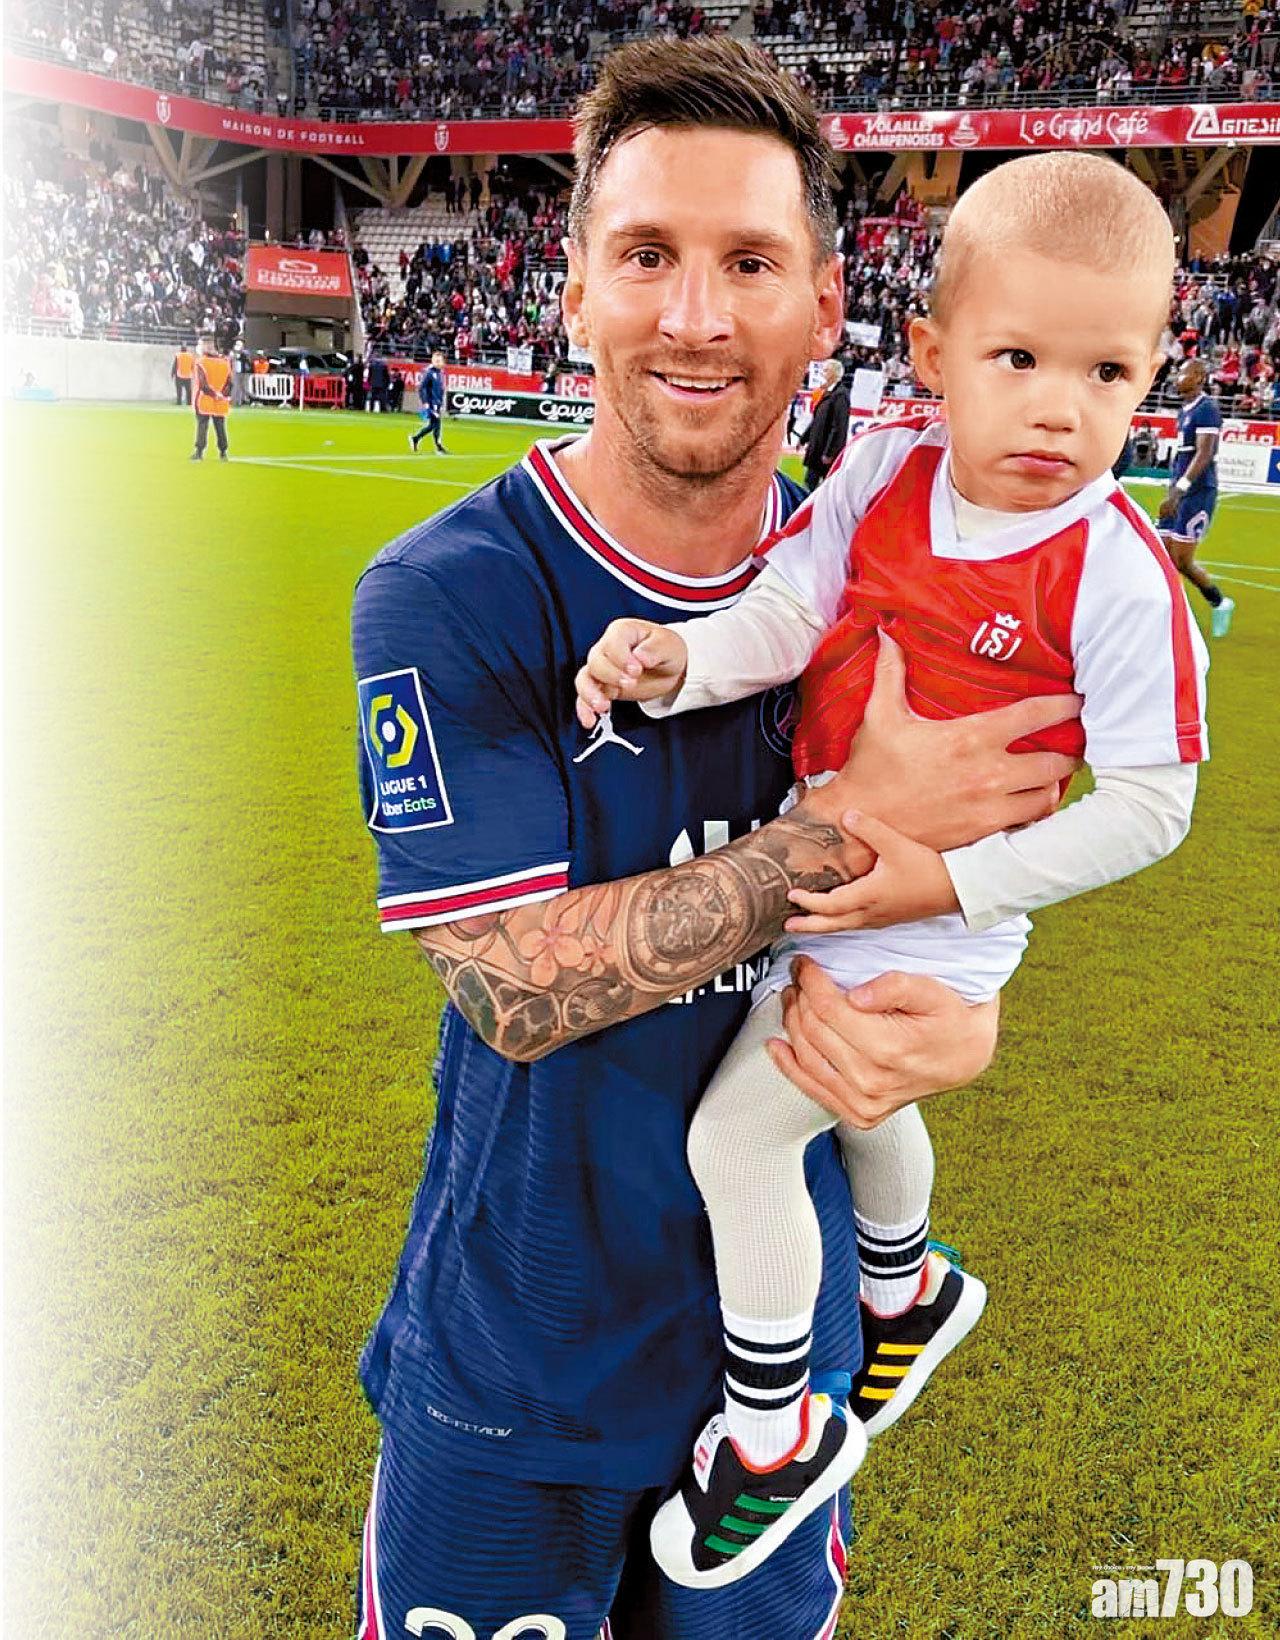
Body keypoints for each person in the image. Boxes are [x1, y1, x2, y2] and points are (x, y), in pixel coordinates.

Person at [350, 38, 1081, 1640]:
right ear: (573, 292)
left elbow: (953, 905)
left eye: (749, 262)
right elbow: (514, 984)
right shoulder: (456, 594)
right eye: (646, 256)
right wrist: (837, 839)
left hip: (782, 1380)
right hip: (515, 1376)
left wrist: (957, 1019)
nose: (694, 315)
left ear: (824, 305)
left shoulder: (892, 584)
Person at [575, 151, 1207, 1588]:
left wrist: (949, 890)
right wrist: (680, 664)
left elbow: (1155, 806)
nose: (1059, 405)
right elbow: (788, 610)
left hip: (925, 914)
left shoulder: (1116, 572)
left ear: (1151, 377)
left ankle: (773, 1436)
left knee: (741, 1142)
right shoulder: (884, 475)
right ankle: (905, 1285)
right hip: (834, 855)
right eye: (1018, 357)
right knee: (862, 1105)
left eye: (1107, 373)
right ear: (930, 356)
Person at [1158, 357, 1234, 638]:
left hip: (1197, 493)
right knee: (1161, 554)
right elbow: (1183, 455)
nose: (1178, 377)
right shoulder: (1184, 411)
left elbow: (1204, 453)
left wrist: (1180, 490)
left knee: (1181, 561)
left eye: (1184, 373)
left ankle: (1220, 602)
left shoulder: (1207, 409)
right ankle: (1167, 615)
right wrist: (1172, 489)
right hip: (1178, 490)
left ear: (1200, 377)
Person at [801, 358, 850, 490]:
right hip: (818, 448)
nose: (823, 373)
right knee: (810, 483)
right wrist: (803, 439)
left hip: (825, 451)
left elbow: (839, 427)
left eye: (826, 370)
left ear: (834, 373)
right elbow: (817, 420)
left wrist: (829, 453)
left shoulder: (840, 395)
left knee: (823, 487)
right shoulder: (828, 392)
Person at [190, 333, 232, 461]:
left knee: (202, 425)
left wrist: (214, 394)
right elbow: (229, 383)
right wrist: (221, 394)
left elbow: (203, 384)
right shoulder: (225, 362)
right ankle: (223, 452)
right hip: (221, 400)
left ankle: (199, 452)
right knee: (220, 426)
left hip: (204, 399)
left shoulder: (201, 362)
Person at [409, 350, 448, 452]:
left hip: (437, 403)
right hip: (431, 404)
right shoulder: (429, 373)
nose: (439, 363)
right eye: (436, 361)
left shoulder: (439, 373)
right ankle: (438, 446)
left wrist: (440, 402)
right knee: (436, 424)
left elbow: (439, 389)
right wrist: (425, 402)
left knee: (433, 425)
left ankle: (416, 439)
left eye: (440, 361)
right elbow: (422, 388)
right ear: (433, 361)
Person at [171, 341, 195, 406]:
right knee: (189, 391)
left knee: (179, 390)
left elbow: (175, 365)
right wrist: (194, 373)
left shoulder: (178, 355)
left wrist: (172, 374)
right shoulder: (190, 356)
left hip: (179, 376)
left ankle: (179, 402)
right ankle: (189, 402)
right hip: (188, 376)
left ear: (181, 349)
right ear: (186, 349)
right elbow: (193, 366)